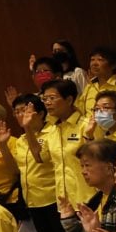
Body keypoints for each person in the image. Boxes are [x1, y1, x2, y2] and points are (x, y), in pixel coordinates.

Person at [4, 94, 73, 232]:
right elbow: (14, 171)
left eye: (25, 110)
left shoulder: (54, 132)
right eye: (17, 112)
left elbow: (41, 158)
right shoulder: (21, 140)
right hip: (32, 201)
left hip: (54, 199)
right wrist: (2, 146)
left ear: (41, 113)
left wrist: (28, 128)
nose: (21, 115)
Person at [41, 79, 96, 207]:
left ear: (69, 100)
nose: (48, 103)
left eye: (52, 98)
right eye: (45, 99)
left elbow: (100, 160)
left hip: (88, 199)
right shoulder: (52, 130)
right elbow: (42, 158)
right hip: (64, 202)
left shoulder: (87, 125)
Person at [78, 47, 116, 116]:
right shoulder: (89, 88)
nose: (94, 63)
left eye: (100, 60)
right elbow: (80, 113)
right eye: (92, 59)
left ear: (113, 65)